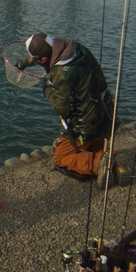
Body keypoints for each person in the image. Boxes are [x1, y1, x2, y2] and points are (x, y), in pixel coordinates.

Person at [17, 33, 115, 180]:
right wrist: (24, 63)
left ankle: (99, 164)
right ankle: (103, 153)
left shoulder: (61, 74)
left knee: (61, 157)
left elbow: (62, 109)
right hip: (108, 114)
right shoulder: (78, 49)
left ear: (43, 59)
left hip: (88, 126)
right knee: (95, 146)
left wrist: (48, 90)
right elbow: (44, 56)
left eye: (37, 60)